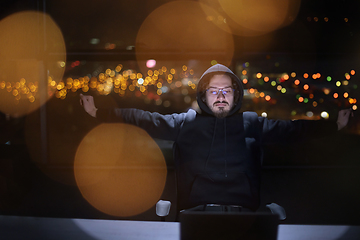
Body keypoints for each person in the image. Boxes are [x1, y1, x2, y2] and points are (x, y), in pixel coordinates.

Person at [80, 64, 352, 214]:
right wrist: (98, 112)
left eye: (226, 91)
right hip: (195, 213)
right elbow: (141, 118)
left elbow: (293, 130)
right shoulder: (185, 123)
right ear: (203, 96)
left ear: (235, 95)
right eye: (213, 91)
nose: (220, 96)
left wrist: (334, 126)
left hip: (245, 214)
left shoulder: (252, 123)